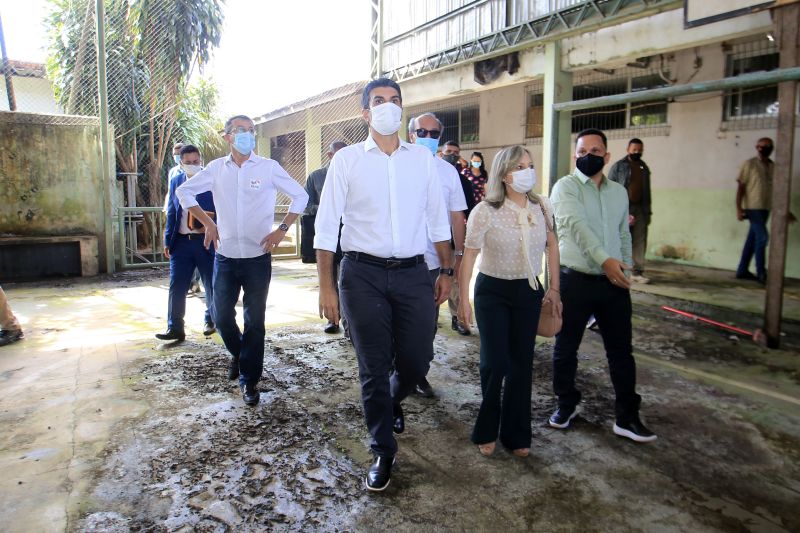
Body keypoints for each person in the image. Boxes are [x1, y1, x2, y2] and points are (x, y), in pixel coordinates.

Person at [315, 78, 452, 492]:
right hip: (362, 275)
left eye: (395, 101)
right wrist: (326, 286)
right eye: (379, 101)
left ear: (402, 109)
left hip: (413, 273)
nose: (388, 107)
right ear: (365, 113)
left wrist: (446, 271)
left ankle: (394, 399)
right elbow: (326, 227)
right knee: (372, 366)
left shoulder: (422, 161)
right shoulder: (348, 161)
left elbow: (437, 220)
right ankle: (382, 449)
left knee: (416, 360)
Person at [177, 115, 308, 406]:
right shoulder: (215, 169)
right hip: (225, 258)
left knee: (255, 321)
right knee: (221, 316)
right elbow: (183, 192)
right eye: (241, 131)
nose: (247, 135)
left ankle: (249, 380)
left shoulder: (268, 168)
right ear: (228, 137)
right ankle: (239, 353)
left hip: (257, 258)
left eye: (251, 131)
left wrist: (282, 229)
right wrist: (208, 224)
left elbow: (301, 196)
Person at [549, 128, 656, 443]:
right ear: (575, 155)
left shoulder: (618, 192)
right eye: (582, 151)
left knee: (621, 351)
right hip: (574, 281)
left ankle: (627, 416)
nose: (587, 156)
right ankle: (566, 403)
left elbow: (624, 233)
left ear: (606, 157)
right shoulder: (565, 188)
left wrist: (623, 267)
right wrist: (606, 261)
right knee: (565, 348)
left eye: (594, 151)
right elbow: (577, 228)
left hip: (613, 284)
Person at [458, 145, 561, 458]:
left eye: (530, 164)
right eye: (520, 166)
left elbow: (552, 247)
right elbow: (470, 255)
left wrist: (555, 288)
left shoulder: (542, 206)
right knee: (495, 361)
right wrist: (463, 298)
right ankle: (486, 429)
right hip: (493, 292)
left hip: (529, 291)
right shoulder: (485, 211)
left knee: (522, 364)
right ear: (504, 174)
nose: (527, 171)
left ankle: (517, 434)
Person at [408, 112, 468, 397]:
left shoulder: (448, 173)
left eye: (434, 134)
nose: (428, 138)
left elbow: (457, 216)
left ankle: (418, 373)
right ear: (411, 135)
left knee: (427, 324)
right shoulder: (396, 167)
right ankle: (398, 374)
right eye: (422, 132)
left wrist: (458, 257)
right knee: (397, 324)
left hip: (433, 264)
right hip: (398, 261)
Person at [157, 145, 216, 342]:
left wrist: (209, 225)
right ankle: (174, 328)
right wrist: (167, 240)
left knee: (211, 283)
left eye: (196, 162)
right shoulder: (176, 181)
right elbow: (173, 211)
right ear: (181, 164)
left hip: (206, 242)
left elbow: (220, 210)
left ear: (201, 161)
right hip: (181, 242)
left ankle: (211, 320)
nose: (193, 166)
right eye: (188, 163)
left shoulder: (211, 183)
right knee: (177, 285)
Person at [608, 138, 652, 284]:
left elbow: (647, 191)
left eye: (639, 150)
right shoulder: (618, 167)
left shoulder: (643, 168)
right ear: (628, 150)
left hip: (640, 208)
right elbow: (609, 190)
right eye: (634, 150)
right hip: (623, 208)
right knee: (622, 239)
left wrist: (648, 211)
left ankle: (637, 271)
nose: (637, 152)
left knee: (640, 239)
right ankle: (619, 269)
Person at [301, 141, 348, 265]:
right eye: (339, 155)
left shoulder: (355, 175)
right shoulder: (316, 177)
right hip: (327, 231)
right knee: (328, 269)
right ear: (330, 155)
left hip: (348, 231)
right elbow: (306, 204)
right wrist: (327, 209)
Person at [735, 137, 774, 284]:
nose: (766, 148)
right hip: (753, 207)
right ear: (757, 147)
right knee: (762, 238)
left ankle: (742, 270)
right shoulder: (750, 164)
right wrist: (739, 208)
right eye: (763, 146)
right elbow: (741, 188)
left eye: (769, 146)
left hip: (766, 207)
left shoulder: (772, 166)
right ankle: (761, 272)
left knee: (752, 239)